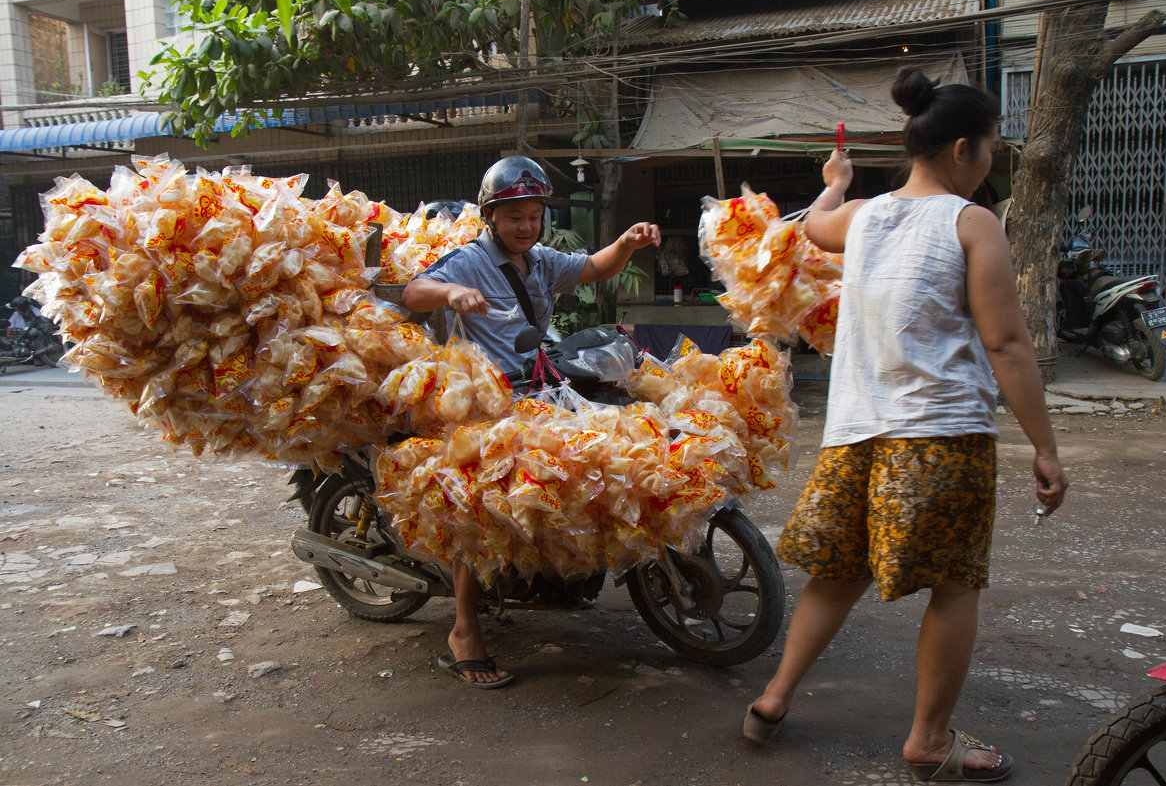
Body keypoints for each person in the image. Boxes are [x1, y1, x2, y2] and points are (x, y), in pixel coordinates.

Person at [741, 67, 1068, 783]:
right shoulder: (969, 220)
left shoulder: (864, 216)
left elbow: (813, 225)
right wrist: (1043, 446)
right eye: (988, 150)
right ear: (961, 149)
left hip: (853, 434)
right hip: (939, 436)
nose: (988, 165)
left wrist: (833, 178)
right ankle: (927, 739)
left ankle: (771, 699)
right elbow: (1007, 344)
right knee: (953, 585)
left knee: (838, 572)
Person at [400, 155, 661, 688]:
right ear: (491, 217)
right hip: (481, 402)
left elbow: (594, 267)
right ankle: (464, 631)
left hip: (537, 390)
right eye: (514, 216)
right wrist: (450, 293)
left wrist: (628, 244)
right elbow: (413, 293)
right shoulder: (470, 261)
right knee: (483, 503)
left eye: (534, 215)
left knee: (591, 465)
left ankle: (554, 576)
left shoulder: (541, 261)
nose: (525, 225)